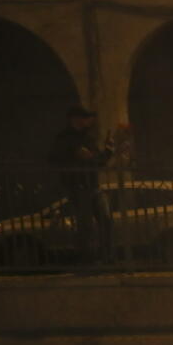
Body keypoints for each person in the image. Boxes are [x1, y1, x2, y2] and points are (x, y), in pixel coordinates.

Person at [48, 105, 114, 264]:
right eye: (85, 117)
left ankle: (106, 257)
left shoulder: (88, 138)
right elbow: (55, 159)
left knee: (105, 220)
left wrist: (108, 151)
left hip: (93, 185)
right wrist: (76, 155)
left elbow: (97, 161)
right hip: (78, 186)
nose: (89, 121)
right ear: (75, 119)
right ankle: (87, 259)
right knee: (85, 225)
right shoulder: (64, 138)